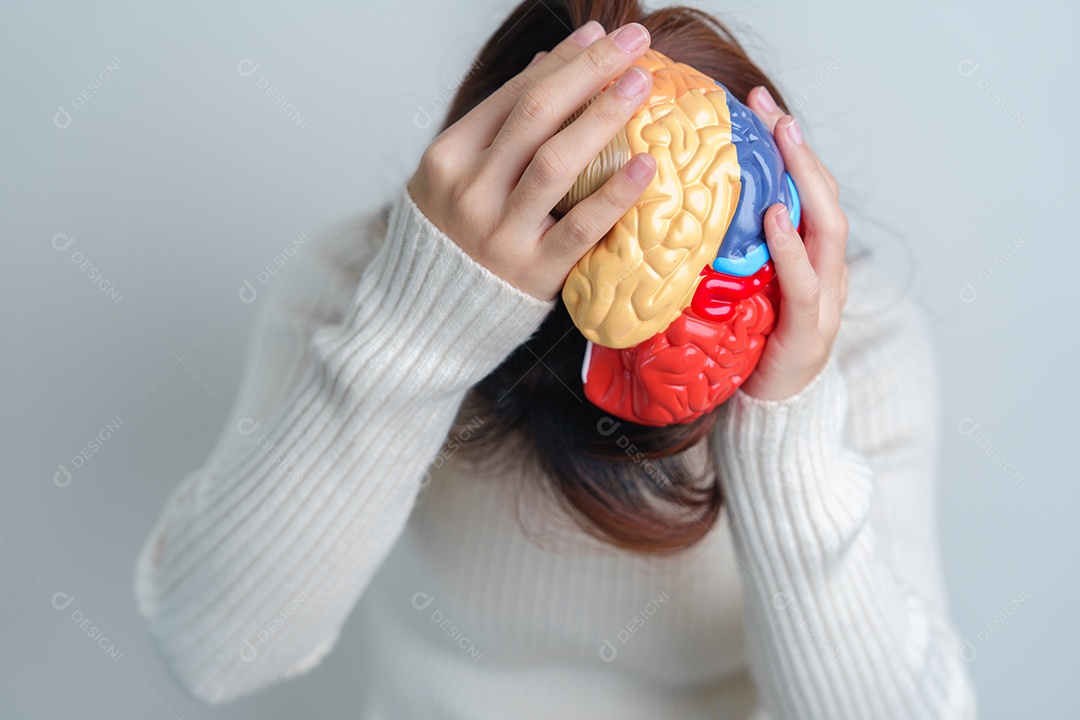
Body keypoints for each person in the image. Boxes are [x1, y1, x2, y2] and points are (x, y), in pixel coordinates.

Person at [132, 1, 978, 717]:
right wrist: (415, 334)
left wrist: (786, 424)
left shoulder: (859, 345)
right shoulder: (364, 288)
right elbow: (215, 652)